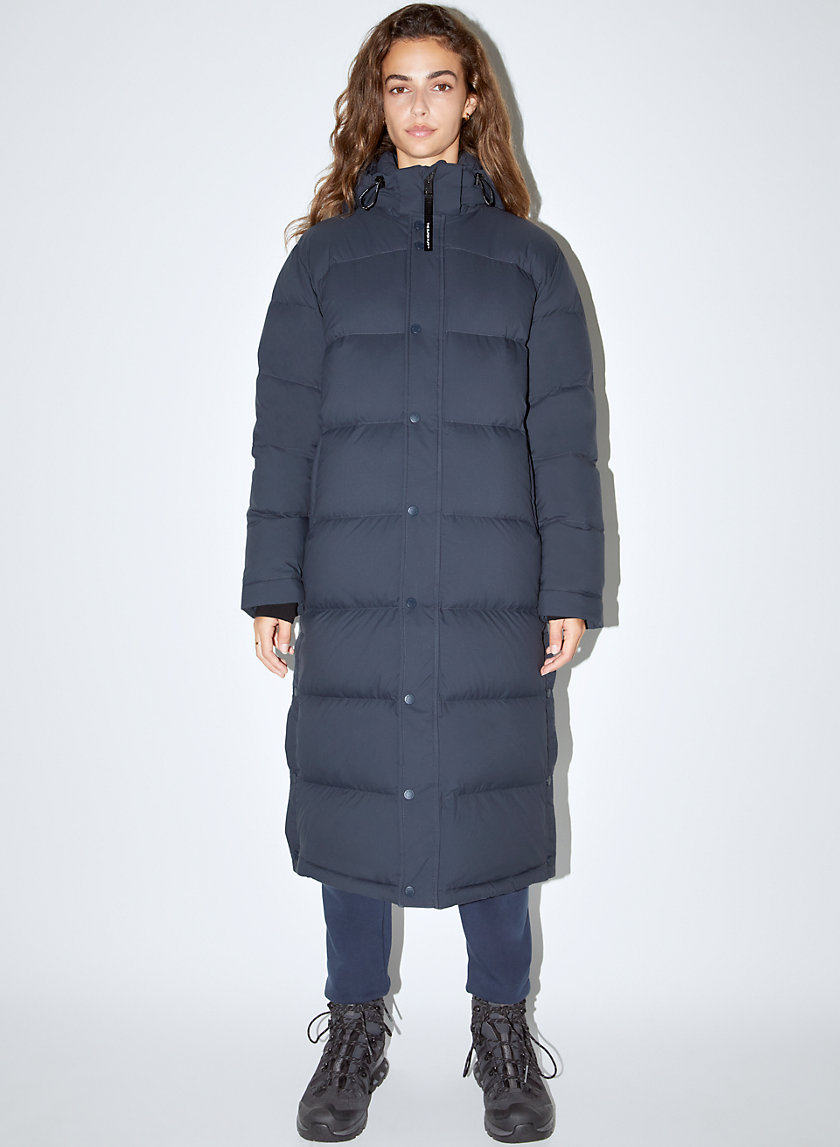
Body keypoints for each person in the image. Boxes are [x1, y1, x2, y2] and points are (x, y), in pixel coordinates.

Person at [240, 5, 604, 1142]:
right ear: (374, 102)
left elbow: (566, 441)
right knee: (355, 799)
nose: (419, 106)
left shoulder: (533, 262)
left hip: (494, 585)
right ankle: (354, 1032)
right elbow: (284, 435)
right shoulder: (322, 263)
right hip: (352, 579)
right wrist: (272, 583)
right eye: (398, 86)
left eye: (440, 83)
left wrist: (570, 588)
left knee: (493, 804)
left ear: (473, 100)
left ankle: (504, 1035)